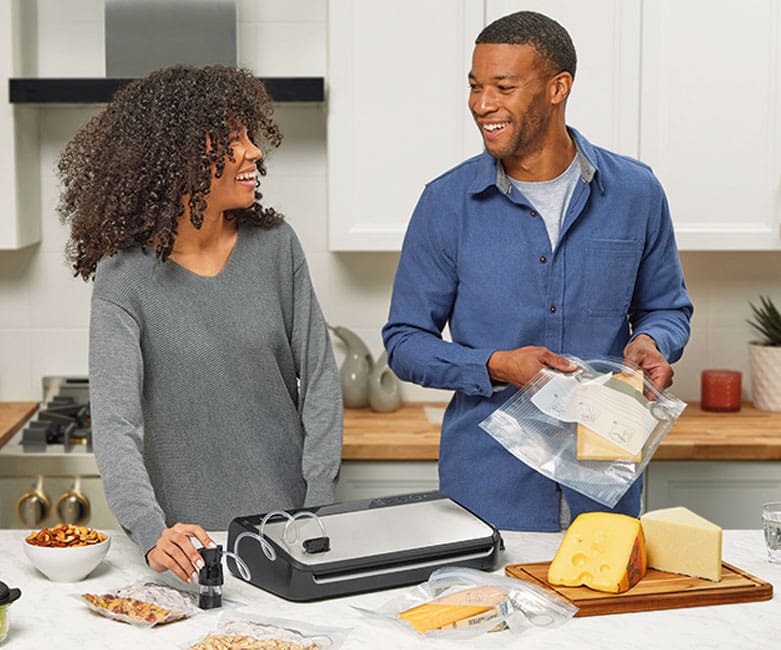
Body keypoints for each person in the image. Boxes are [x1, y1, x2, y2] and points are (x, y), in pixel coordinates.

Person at [382, 11, 693, 532]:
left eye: (503, 86)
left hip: (606, 490)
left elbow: (666, 306)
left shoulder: (636, 193)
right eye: (476, 86)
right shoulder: (446, 203)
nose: (482, 104)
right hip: (485, 497)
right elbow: (405, 341)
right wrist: (499, 365)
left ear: (558, 87)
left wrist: (652, 341)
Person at [57, 65, 342, 584]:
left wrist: (318, 506)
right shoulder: (124, 277)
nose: (254, 152)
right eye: (234, 141)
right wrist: (150, 531)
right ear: (181, 161)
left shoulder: (277, 247)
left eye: (251, 137)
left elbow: (320, 381)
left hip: (287, 534)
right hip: (185, 548)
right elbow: (116, 426)